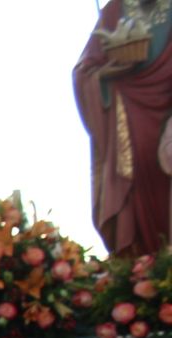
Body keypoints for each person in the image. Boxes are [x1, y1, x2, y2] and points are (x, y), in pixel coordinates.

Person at [75, 0, 172, 256]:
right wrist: (106, 73)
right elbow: (84, 71)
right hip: (125, 114)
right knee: (134, 182)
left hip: (168, 111)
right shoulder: (114, 10)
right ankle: (143, 267)